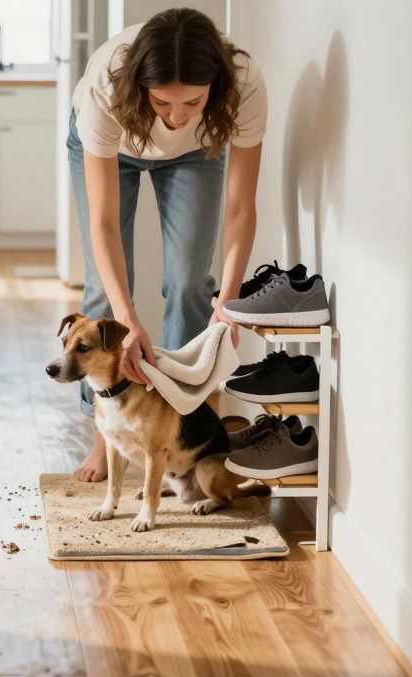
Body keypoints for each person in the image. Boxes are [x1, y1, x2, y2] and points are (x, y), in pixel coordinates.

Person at [67, 7, 266, 482]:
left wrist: (229, 306)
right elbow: (105, 223)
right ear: (141, 88)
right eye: (162, 103)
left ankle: (184, 435)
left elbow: (241, 209)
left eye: (193, 102)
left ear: (215, 87)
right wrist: (129, 319)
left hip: (197, 156)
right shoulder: (106, 87)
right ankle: (105, 439)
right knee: (106, 298)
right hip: (112, 147)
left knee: (192, 287)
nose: (176, 117)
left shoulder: (244, 83)